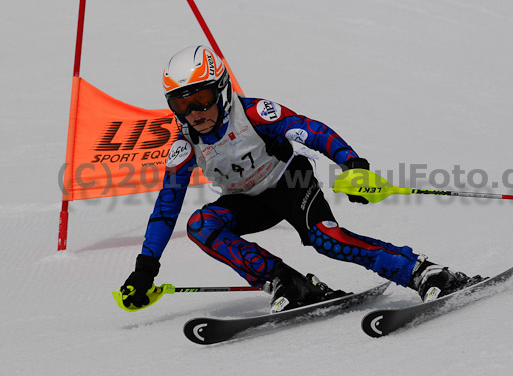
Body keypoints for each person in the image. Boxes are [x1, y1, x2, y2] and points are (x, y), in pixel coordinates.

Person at [119, 45, 482, 312]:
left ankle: (422, 272)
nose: (194, 112)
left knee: (326, 239)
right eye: (181, 104)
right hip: (247, 202)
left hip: (290, 184)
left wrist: (352, 165)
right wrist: (145, 268)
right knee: (201, 224)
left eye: (201, 98)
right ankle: (286, 282)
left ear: (223, 90)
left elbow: (310, 130)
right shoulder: (185, 146)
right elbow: (166, 210)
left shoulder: (254, 113)